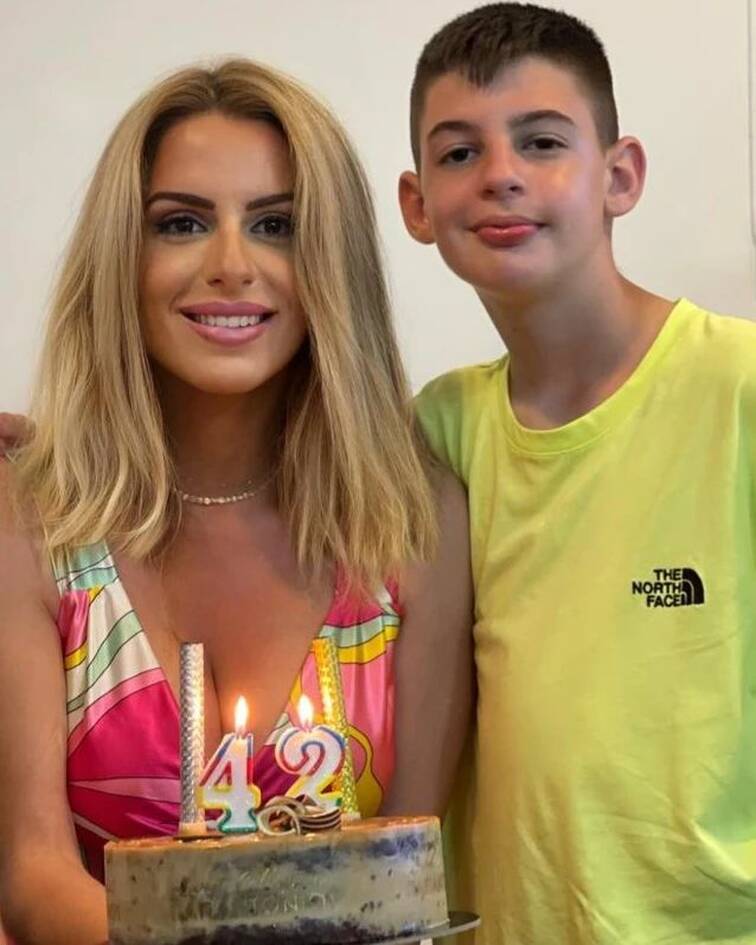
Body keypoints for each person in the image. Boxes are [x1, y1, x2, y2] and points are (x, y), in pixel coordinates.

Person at [0, 59, 473, 945]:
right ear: (122, 255)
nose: (230, 265)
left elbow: (407, 883)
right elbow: (32, 876)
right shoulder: (31, 514)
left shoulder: (414, 519)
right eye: (181, 223)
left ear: (332, 258)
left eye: (276, 225)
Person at [399, 3, 756, 944]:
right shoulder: (441, 429)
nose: (501, 174)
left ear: (619, 175)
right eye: (460, 152)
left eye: (542, 141)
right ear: (418, 205)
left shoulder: (740, 387)